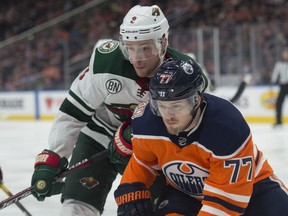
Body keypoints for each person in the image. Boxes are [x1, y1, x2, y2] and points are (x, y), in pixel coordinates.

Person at [30, 5, 208, 216]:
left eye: (145, 48)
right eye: (130, 48)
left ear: (164, 43)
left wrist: (140, 134)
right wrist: (54, 155)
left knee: (158, 210)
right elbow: (73, 111)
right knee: (76, 208)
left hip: (149, 150)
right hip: (97, 137)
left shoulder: (184, 74)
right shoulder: (107, 63)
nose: (137, 58)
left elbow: (189, 133)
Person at [114, 59, 288, 216]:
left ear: (196, 100)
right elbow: (144, 160)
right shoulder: (147, 121)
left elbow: (225, 203)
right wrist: (131, 186)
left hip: (253, 189)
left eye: (176, 105)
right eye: (162, 106)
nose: (168, 115)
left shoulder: (226, 127)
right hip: (185, 194)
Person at [271, 48, 288, 127]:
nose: (285, 55)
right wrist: (272, 81)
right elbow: (275, 73)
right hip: (283, 85)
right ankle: (279, 121)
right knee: (279, 103)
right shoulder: (279, 64)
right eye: (285, 54)